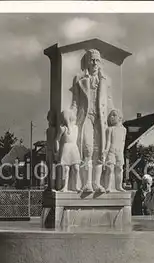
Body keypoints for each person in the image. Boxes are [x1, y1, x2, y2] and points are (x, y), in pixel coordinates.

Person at [70, 49, 113, 193]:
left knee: (99, 151)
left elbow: (109, 100)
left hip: (100, 119)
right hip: (86, 117)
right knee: (87, 149)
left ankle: (97, 184)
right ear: (87, 62)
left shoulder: (105, 80)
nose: (94, 63)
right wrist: (70, 116)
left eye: (97, 60)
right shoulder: (80, 79)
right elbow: (75, 102)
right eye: (92, 60)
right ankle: (86, 183)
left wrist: (113, 117)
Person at [56, 110, 81, 192]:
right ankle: (65, 186)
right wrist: (57, 150)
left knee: (76, 168)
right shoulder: (63, 128)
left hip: (74, 147)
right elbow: (57, 139)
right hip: (66, 147)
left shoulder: (76, 128)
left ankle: (75, 186)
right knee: (66, 168)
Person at [103, 109, 126, 192]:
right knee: (110, 169)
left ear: (120, 118)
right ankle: (108, 186)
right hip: (111, 151)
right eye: (110, 115)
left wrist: (122, 153)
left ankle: (119, 186)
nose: (111, 117)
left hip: (119, 152)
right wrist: (106, 150)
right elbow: (108, 141)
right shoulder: (110, 129)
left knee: (120, 169)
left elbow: (123, 142)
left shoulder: (124, 130)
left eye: (114, 115)